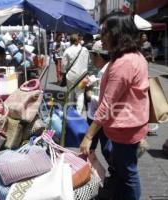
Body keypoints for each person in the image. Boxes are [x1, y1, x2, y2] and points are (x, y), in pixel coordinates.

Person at [80, 12, 149, 200]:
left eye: (105, 32)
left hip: (125, 128)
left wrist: (88, 136)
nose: (101, 37)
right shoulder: (134, 56)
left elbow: (107, 105)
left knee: (128, 174)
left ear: (117, 33)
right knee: (123, 171)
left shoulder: (124, 63)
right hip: (130, 125)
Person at [86, 40, 112, 165]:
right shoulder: (104, 69)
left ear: (100, 56)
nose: (92, 59)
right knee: (102, 147)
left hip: (101, 116)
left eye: (93, 56)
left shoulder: (106, 71)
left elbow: (107, 100)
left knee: (106, 148)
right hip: (98, 114)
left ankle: (117, 173)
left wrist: (90, 95)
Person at [61, 33, 89, 114]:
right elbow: (87, 62)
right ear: (79, 40)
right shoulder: (85, 50)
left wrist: (63, 72)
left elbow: (64, 65)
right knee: (80, 94)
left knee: (70, 93)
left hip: (71, 75)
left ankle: (70, 111)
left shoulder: (68, 50)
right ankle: (78, 113)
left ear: (70, 41)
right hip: (83, 76)